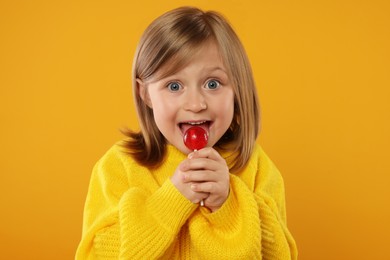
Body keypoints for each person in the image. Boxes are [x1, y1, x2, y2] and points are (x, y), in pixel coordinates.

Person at [76, 6, 297, 259]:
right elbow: (96, 254)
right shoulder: (118, 167)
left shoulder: (254, 165)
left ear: (237, 88)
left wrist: (229, 205)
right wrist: (172, 201)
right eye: (174, 85)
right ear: (145, 93)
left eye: (213, 84)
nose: (195, 104)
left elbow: (280, 255)